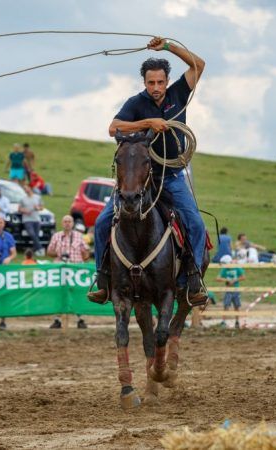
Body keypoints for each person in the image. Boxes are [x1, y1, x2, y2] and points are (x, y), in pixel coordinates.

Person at [89, 36, 207, 305]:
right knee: (101, 223)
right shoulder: (136, 103)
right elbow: (112, 128)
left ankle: (193, 278)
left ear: (167, 80)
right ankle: (102, 279)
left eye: (160, 82)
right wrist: (148, 122)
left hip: (172, 175)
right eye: (151, 83)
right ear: (144, 83)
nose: (156, 87)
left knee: (196, 224)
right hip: (140, 179)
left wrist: (168, 46)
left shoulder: (178, 93)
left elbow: (199, 64)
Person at [47, 215, 91, 329]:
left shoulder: (79, 236)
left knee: (76, 294)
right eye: (65, 221)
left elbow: (86, 251)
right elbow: (49, 252)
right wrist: (58, 254)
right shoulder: (56, 236)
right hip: (60, 270)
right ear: (62, 223)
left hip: (75, 270)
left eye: (69, 221)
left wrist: (81, 263)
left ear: (72, 224)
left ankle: (80, 319)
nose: (67, 223)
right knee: (59, 294)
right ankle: (57, 320)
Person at [215, 255, 245, 329]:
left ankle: (237, 321)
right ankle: (224, 321)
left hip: (236, 290)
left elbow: (243, 277)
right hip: (228, 290)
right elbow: (217, 278)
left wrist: (235, 280)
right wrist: (227, 280)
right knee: (226, 305)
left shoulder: (237, 268)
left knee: (236, 306)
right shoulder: (225, 269)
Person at [19, 185, 44, 256]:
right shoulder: (23, 199)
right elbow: (19, 209)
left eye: (27, 188)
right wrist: (24, 211)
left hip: (36, 219)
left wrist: (37, 208)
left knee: (36, 236)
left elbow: (42, 207)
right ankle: (40, 249)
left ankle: (35, 250)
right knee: (32, 234)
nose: (26, 190)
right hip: (27, 220)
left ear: (30, 188)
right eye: (25, 189)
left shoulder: (37, 197)